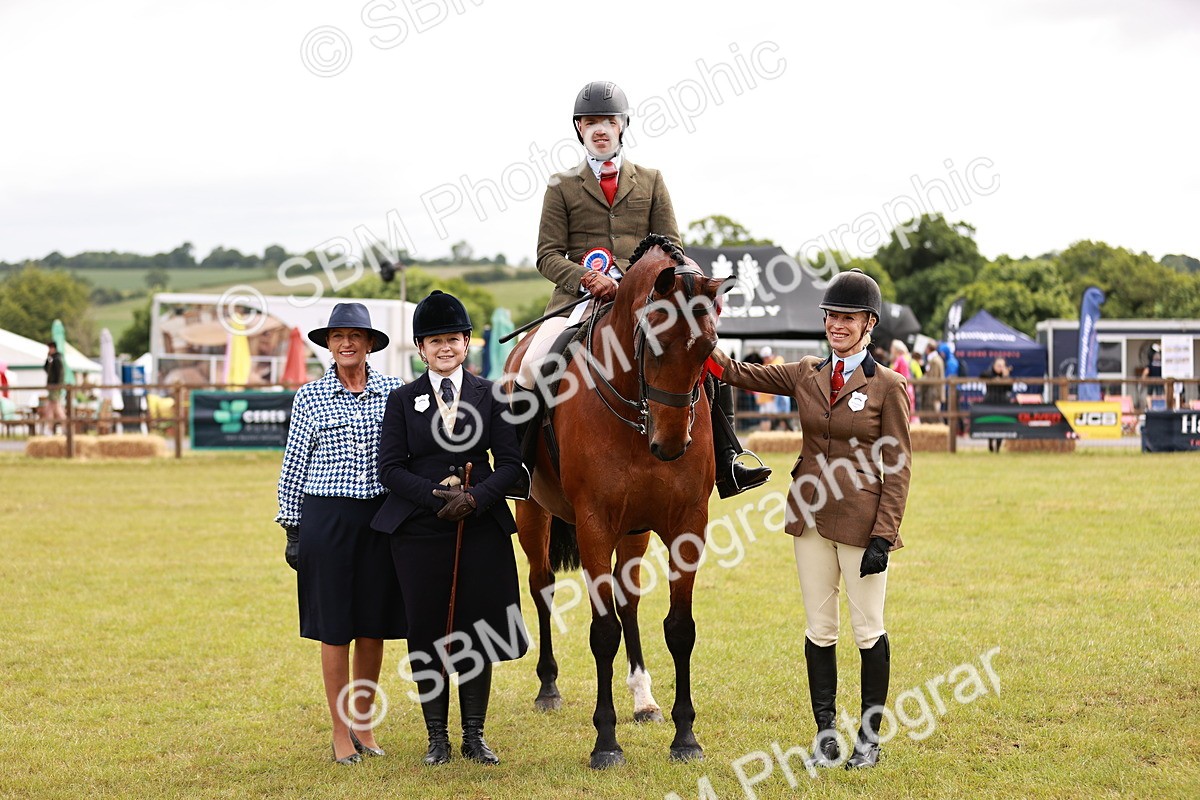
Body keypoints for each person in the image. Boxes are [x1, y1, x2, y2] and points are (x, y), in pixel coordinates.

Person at [515, 79, 769, 498]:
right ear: (579, 129)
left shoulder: (650, 180)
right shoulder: (561, 186)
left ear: (622, 126)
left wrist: (643, 283)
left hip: (647, 301)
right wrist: (586, 276)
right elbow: (547, 255)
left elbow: (674, 247)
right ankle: (521, 469)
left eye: (608, 121)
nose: (600, 129)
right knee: (534, 365)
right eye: (591, 121)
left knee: (701, 358)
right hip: (579, 302)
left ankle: (728, 460)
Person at [707, 268, 912, 770]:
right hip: (810, 520)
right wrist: (700, 332)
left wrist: (885, 534)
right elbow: (735, 372)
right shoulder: (805, 373)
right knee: (820, 629)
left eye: (847, 318)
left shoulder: (888, 386)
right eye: (831, 317)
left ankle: (868, 739)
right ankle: (825, 734)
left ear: (869, 323)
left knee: (868, 630)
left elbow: (900, 465)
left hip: (863, 522)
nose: (837, 325)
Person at [372, 290, 529, 766]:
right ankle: (437, 737)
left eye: (453, 339)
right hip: (418, 529)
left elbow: (511, 464)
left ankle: (474, 736)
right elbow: (389, 467)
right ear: (421, 348)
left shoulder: (493, 395)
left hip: (479, 527)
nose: (445, 348)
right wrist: (437, 498)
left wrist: (476, 499)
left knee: (477, 631)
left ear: (467, 342)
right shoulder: (401, 400)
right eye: (434, 340)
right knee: (429, 632)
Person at [275, 302, 406, 766]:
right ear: (328, 345)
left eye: (355, 335)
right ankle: (339, 731)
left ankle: (364, 725)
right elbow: (293, 467)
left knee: (373, 629)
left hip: (379, 519)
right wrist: (292, 529)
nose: (346, 343)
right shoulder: (309, 397)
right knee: (335, 630)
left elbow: (405, 457)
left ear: (370, 343)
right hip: (325, 520)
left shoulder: (395, 391)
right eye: (337, 336)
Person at [980, 356, 1013, 453]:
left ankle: (998, 448)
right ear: (994, 365)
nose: (1000, 368)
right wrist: (995, 378)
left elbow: (1009, 388)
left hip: (1002, 401)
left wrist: (1005, 377)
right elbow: (982, 375)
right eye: (998, 365)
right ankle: (990, 442)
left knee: (1001, 424)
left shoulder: (1006, 376)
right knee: (990, 423)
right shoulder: (989, 373)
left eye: (1002, 366)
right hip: (990, 401)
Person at [43, 342, 66, 434]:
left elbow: (59, 375)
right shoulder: (53, 359)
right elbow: (45, 368)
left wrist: (57, 386)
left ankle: (52, 428)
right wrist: (47, 358)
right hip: (53, 387)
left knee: (53, 407)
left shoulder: (57, 359)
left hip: (55, 387)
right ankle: (54, 427)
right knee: (53, 408)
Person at [921, 343, 945, 422]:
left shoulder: (935, 360)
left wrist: (921, 380)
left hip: (934, 391)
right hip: (934, 391)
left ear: (928, 349)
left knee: (934, 415)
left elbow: (932, 378)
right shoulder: (934, 359)